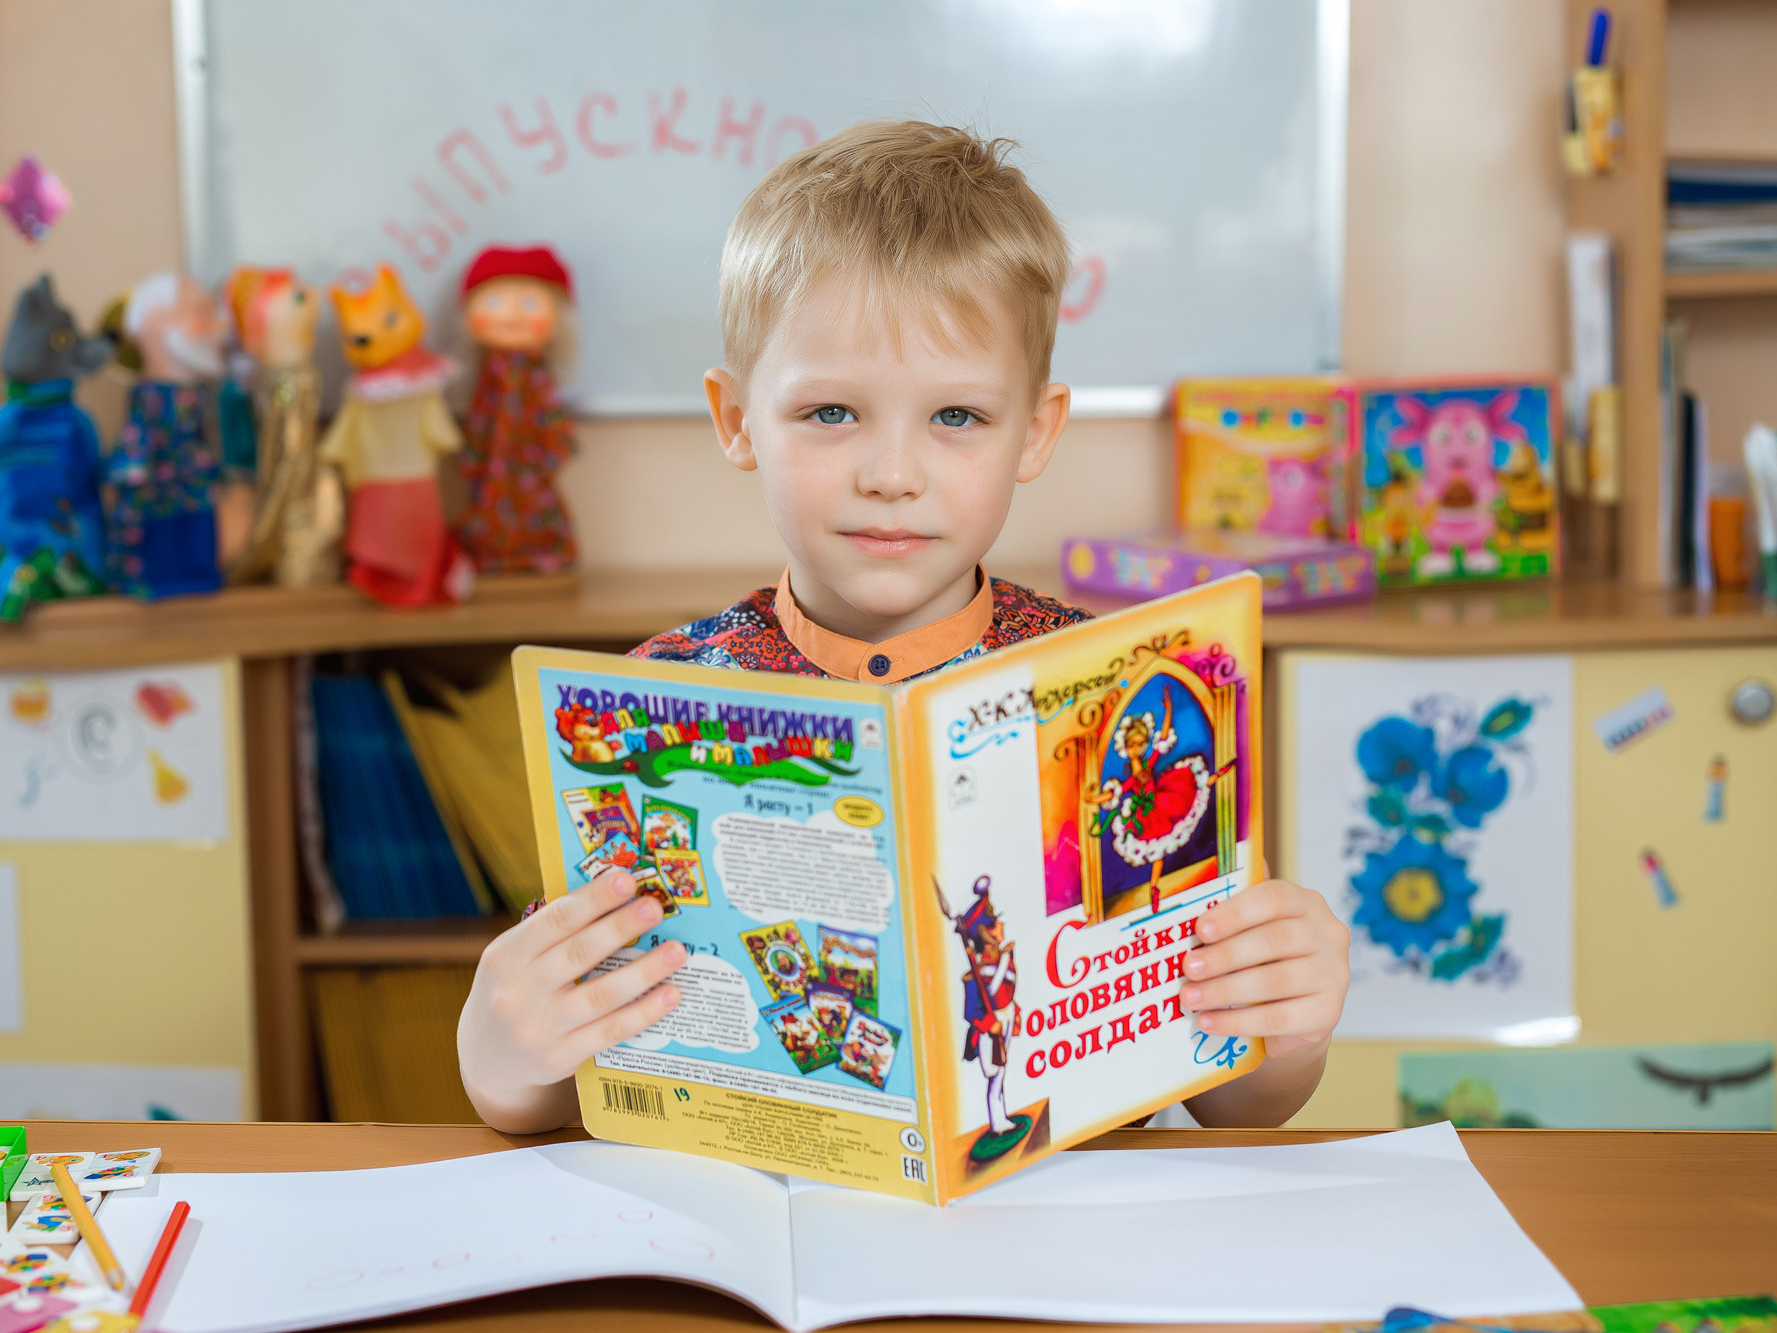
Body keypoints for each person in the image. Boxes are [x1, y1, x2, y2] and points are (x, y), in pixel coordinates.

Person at [459, 120, 1349, 1135]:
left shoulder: (1114, 696)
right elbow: (544, 1081)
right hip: (759, 1227)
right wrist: (497, 1050)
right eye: (831, 413)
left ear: (1036, 430)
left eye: (956, 418)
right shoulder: (647, 708)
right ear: (736, 418)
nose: (891, 472)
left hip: (1050, 1247)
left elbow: (1239, 1099)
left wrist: (1290, 1021)